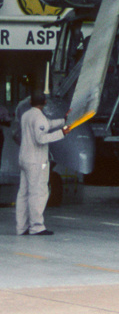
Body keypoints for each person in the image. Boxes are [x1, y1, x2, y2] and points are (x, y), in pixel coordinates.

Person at [16, 94, 66, 236]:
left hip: (24, 158)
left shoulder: (26, 115)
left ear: (31, 101)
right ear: (45, 102)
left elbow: (47, 124)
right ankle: (37, 227)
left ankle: (21, 227)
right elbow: (41, 138)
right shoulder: (39, 118)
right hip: (36, 161)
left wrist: (63, 121)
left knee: (23, 193)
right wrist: (62, 133)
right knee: (38, 193)